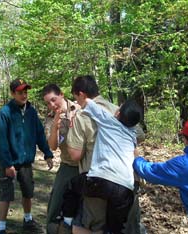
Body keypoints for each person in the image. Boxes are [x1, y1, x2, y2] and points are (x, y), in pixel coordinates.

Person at [66, 75, 146, 234]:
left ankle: (67, 219)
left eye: (77, 96)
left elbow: (75, 155)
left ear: (81, 94)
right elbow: (141, 135)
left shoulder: (106, 119)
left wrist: (74, 110)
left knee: (73, 188)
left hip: (100, 180)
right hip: (126, 187)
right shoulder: (129, 128)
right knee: (116, 228)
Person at [0, 78, 54, 234]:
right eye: (20, 92)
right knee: (6, 194)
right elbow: (2, 141)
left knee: (28, 192)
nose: (24, 95)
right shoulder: (5, 113)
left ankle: (28, 219)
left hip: (26, 161)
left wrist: (47, 154)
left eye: (25, 92)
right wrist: (8, 164)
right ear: (13, 93)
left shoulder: (31, 112)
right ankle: (1, 226)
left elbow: (40, 134)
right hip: (9, 162)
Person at [42, 84, 80, 234]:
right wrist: (55, 126)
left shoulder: (79, 108)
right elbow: (53, 146)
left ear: (62, 95)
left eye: (53, 100)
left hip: (87, 165)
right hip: (68, 165)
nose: (51, 105)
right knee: (56, 203)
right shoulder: (51, 117)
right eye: (48, 103)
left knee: (84, 207)